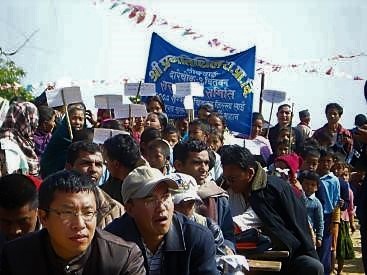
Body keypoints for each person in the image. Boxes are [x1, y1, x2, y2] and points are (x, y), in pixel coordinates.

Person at [1, 170, 145, 274]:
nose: (80, 224)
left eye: (88, 213)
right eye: (67, 213)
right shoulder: (15, 256)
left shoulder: (122, 257)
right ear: (43, 217)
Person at [220, 145, 323, 275]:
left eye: (232, 179)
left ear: (250, 173)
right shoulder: (224, 188)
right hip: (235, 253)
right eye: (226, 178)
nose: (228, 182)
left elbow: (250, 219)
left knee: (312, 267)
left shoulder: (270, 191)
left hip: (283, 255)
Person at [105, 166, 218, 274]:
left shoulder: (196, 238)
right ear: (130, 209)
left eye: (165, 197)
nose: (161, 207)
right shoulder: (111, 243)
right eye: (150, 200)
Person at [173, 140, 235, 251]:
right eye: (196, 163)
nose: (204, 169)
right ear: (178, 165)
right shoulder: (165, 194)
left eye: (206, 163)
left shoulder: (218, 197)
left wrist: (227, 249)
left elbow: (228, 235)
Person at [65, 140, 125, 228]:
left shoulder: (115, 209)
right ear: (69, 167)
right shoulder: (54, 203)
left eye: (98, 165)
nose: (93, 169)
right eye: (86, 163)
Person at [40, 103, 86, 178]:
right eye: (74, 118)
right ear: (67, 119)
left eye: (80, 119)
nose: (77, 122)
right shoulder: (61, 135)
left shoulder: (85, 136)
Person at [0, 174, 40, 254]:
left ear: (38, 212)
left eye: (22, 221)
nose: (14, 231)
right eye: (6, 222)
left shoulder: (58, 239)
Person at [101, 134, 144, 204]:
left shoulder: (140, 189)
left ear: (116, 164)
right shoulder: (112, 184)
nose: (105, 163)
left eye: (106, 160)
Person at [0, 101, 39, 175]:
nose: (36, 125)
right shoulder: (7, 143)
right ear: (26, 119)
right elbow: (9, 175)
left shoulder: (23, 140)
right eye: (34, 120)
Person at [299, 171, 324, 248]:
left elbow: (320, 221)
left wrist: (319, 237)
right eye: (306, 184)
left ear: (317, 187)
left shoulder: (316, 203)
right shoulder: (297, 198)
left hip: (310, 233)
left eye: (313, 185)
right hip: (297, 231)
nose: (309, 187)